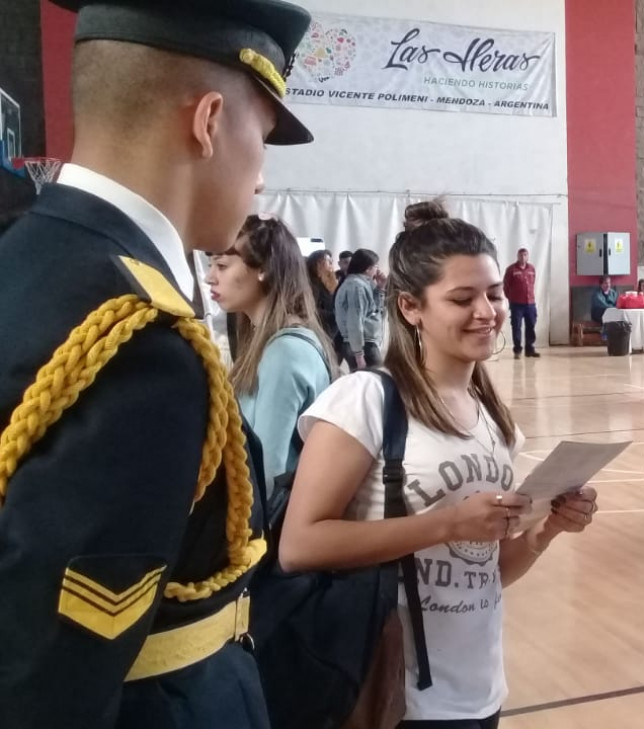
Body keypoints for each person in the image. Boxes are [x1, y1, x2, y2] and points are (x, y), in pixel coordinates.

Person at [0, 1, 314, 726]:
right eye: (262, 139)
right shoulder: (142, 346)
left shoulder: (29, 257)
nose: (260, 179)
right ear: (208, 122)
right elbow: (54, 681)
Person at [280, 200, 599, 728]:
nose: (487, 311)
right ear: (411, 308)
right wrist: (447, 523)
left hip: (479, 689)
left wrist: (545, 530)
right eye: (462, 298)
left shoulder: (495, 420)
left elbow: (488, 571)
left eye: (493, 294)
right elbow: (299, 546)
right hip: (396, 694)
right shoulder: (365, 400)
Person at [207, 214, 335, 486]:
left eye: (221, 265)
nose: (209, 278)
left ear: (263, 268)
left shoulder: (285, 351)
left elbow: (266, 472)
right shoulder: (270, 340)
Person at [335, 248, 385, 370]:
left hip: (364, 343)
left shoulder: (363, 284)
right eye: (375, 266)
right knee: (374, 383)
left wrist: (380, 288)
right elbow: (354, 321)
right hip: (363, 346)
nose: (377, 270)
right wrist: (359, 354)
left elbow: (375, 309)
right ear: (367, 268)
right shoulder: (356, 286)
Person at [306, 248, 346, 364]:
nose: (331, 265)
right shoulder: (312, 285)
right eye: (328, 261)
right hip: (320, 335)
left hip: (333, 336)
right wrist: (334, 315)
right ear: (318, 264)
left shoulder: (330, 282)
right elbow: (310, 310)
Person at [504, 247, 539, 359]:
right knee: (516, 327)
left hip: (530, 303)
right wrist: (511, 298)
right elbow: (506, 286)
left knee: (531, 326)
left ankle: (530, 349)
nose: (523, 257)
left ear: (527, 256)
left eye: (525, 255)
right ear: (517, 256)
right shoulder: (511, 270)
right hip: (516, 305)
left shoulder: (531, 269)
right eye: (521, 255)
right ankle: (517, 350)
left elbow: (533, 283)